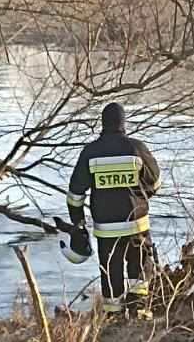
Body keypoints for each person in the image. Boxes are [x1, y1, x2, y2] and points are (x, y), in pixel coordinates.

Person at [66, 103, 161, 319]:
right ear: (123, 123)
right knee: (139, 266)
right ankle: (138, 309)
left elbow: (75, 194)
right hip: (137, 222)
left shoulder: (90, 153)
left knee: (111, 271)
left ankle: (113, 317)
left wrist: (78, 223)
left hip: (106, 228)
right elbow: (155, 182)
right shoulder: (136, 148)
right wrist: (141, 196)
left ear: (103, 123)